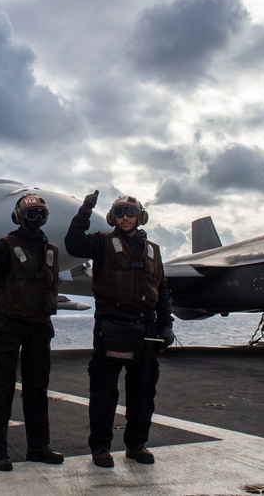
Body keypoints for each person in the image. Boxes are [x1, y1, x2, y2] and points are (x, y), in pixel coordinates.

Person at [65, 191, 175, 468]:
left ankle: (137, 444)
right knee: (104, 392)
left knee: (143, 391)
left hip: (146, 328)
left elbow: (161, 290)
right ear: (113, 217)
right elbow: (73, 244)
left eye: (130, 211)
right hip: (111, 326)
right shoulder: (101, 243)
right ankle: (101, 448)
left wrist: (166, 323)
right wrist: (84, 211)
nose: (125, 217)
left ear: (140, 216)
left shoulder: (154, 250)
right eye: (120, 212)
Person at [0, 193, 65, 471]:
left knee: (37, 389)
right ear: (19, 216)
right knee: (2, 389)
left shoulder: (51, 250)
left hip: (39, 327)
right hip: (9, 326)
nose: (36, 219)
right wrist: (0, 309)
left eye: (41, 214)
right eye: (31, 214)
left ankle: (38, 447)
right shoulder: (5, 247)